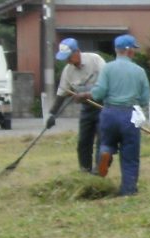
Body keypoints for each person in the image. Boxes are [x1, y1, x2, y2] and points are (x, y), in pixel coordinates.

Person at [90, 34, 150, 197]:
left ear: (117, 50)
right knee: (130, 154)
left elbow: (99, 92)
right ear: (129, 51)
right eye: (134, 49)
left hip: (109, 112)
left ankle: (105, 153)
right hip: (129, 114)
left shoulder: (107, 68)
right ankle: (128, 189)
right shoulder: (139, 71)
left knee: (107, 142)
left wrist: (91, 93)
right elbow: (145, 98)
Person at [46, 38, 106, 175]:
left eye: (69, 57)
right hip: (87, 109)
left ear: (77, 51)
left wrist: (86, 94)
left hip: (104, 107)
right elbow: (62, 93)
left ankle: (99, 172)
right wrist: (52, 114)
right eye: (65, 58)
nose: (67, 61)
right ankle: (85, 171)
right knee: (83, 142)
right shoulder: (68, 71)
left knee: (102, 141)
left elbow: (106, 84)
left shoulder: (95, 60)